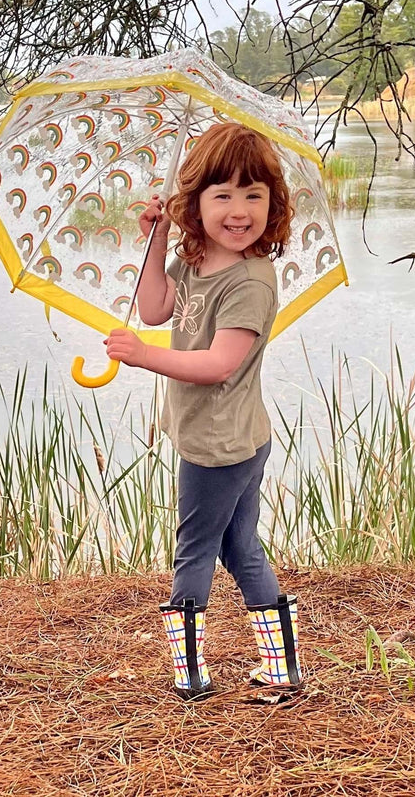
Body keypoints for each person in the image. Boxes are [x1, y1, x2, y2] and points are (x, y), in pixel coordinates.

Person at [105, 122, 302, 703]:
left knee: (194, 549)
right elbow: (154, 308)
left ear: (273, 204)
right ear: (195, 203)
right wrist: (157, 240)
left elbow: (219, 364)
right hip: (228, 433)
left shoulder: (250, 282)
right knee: (239, 546)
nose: (239, 211)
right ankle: (281, 667)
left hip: (221, 444)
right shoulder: (196, 258)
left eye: (254, 195)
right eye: (223, 195)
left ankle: (189, 674)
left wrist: (144, 356)